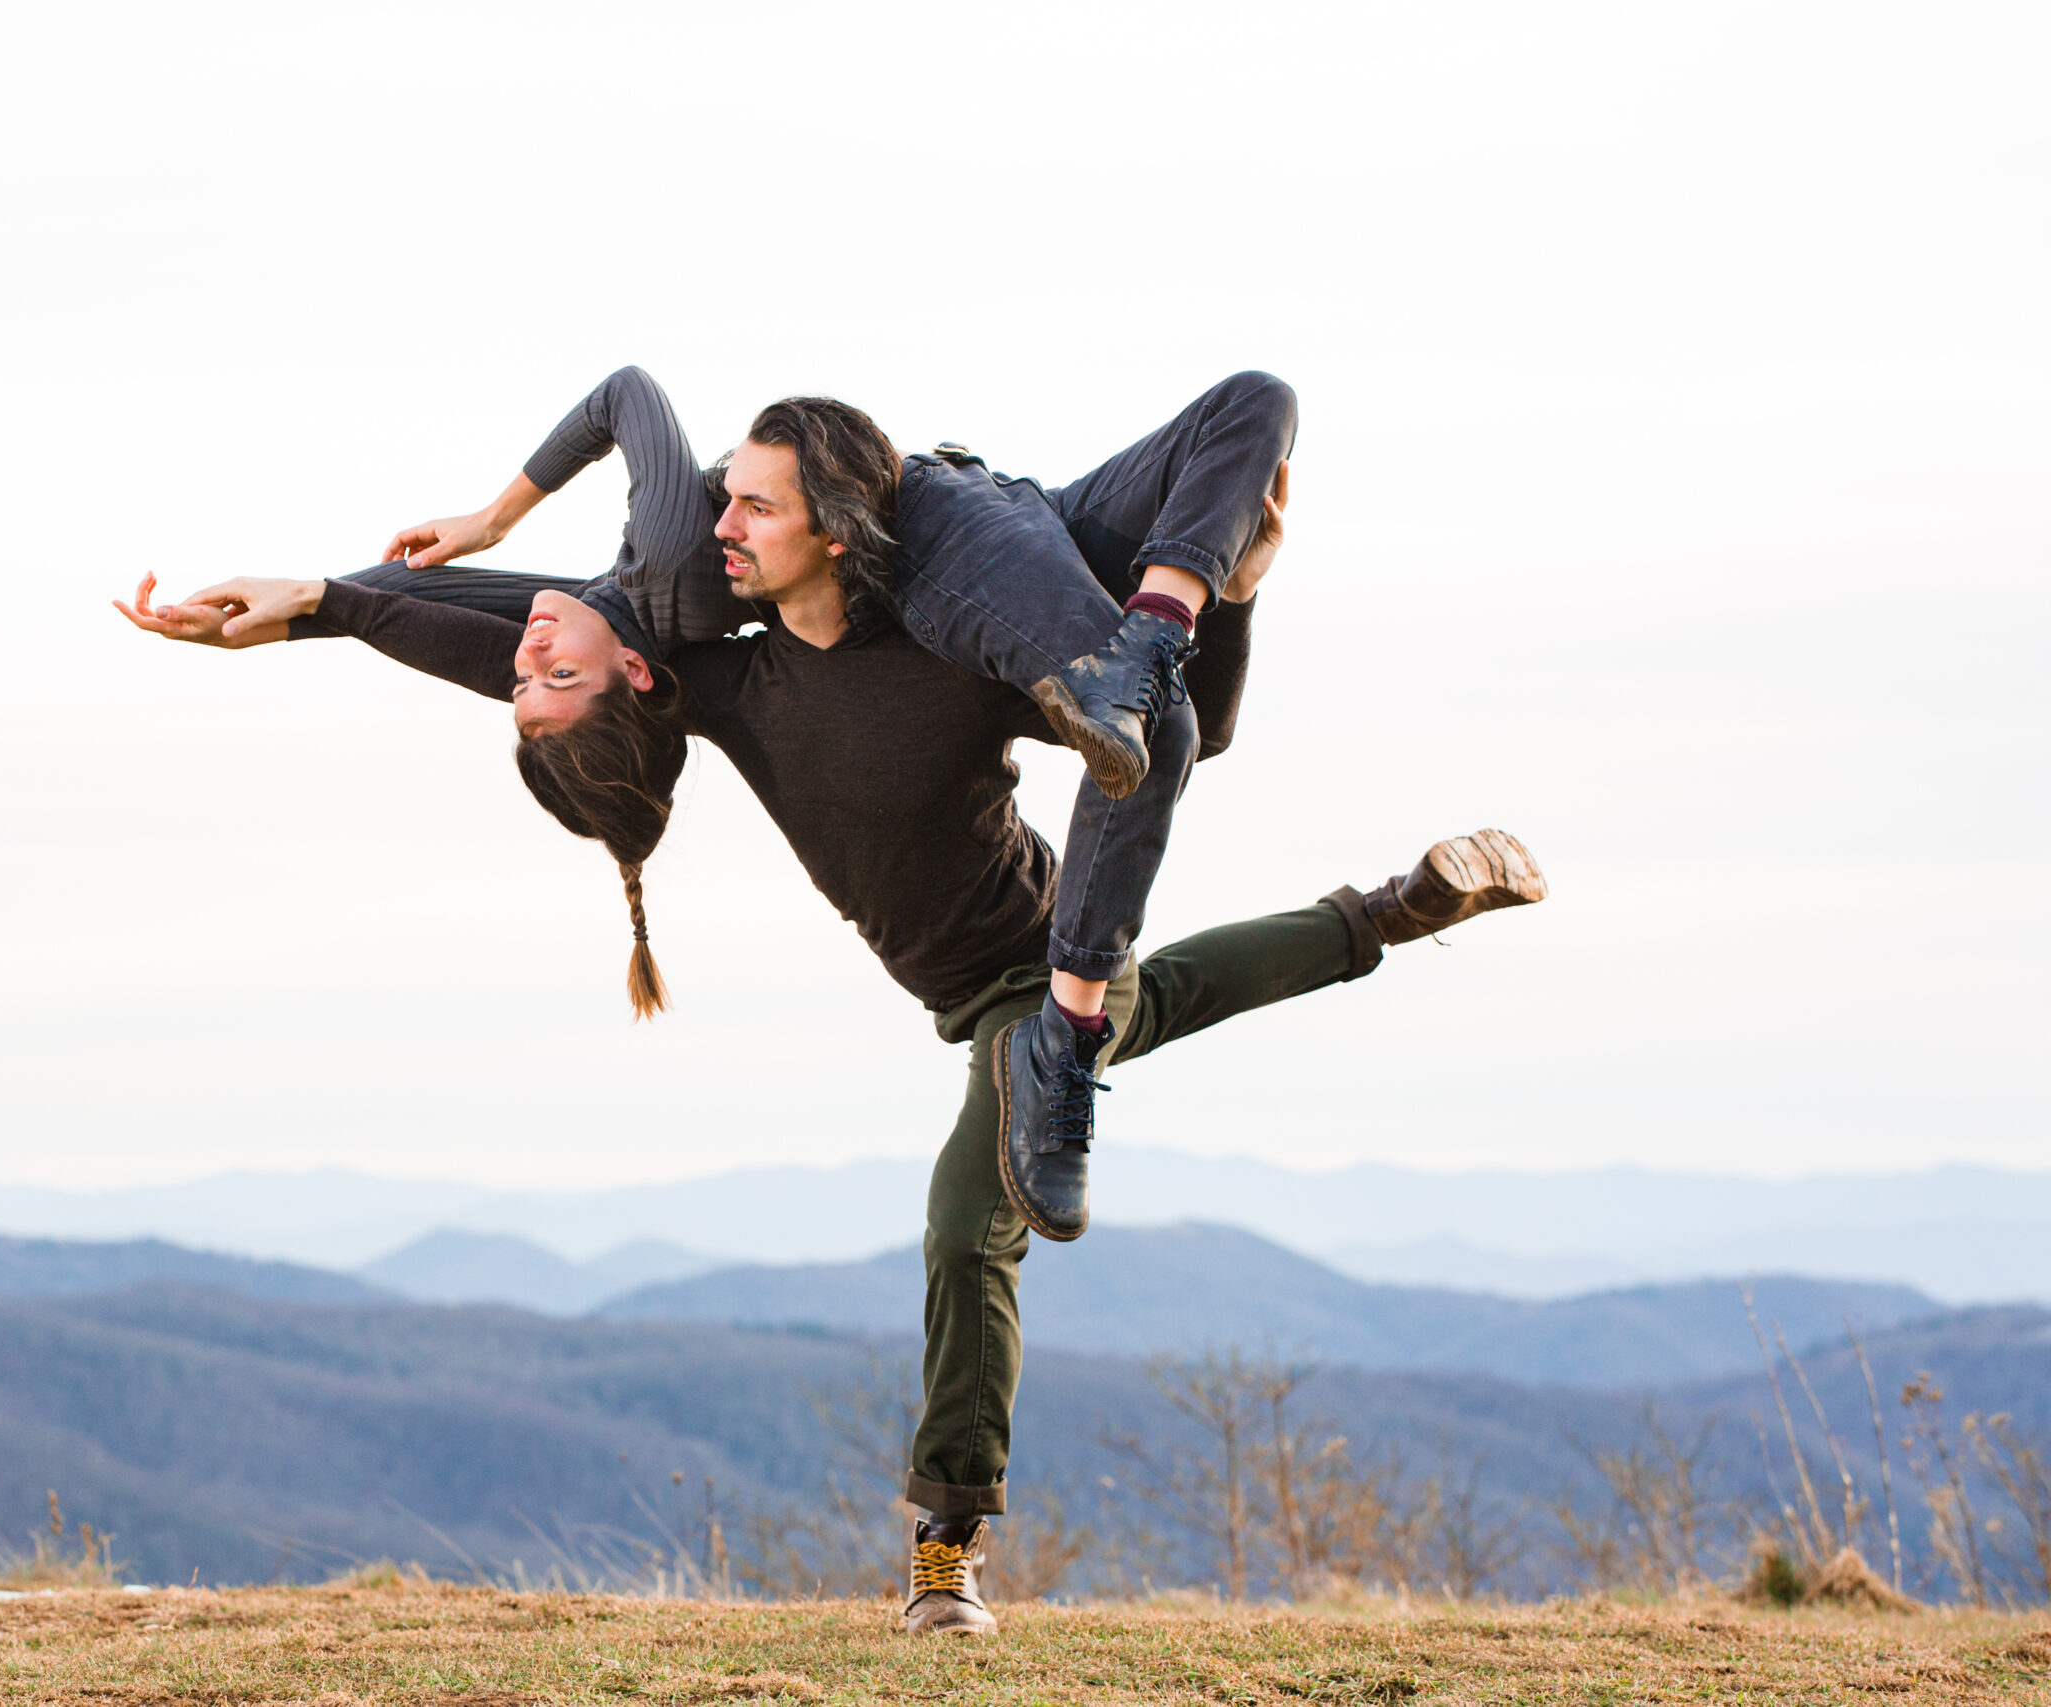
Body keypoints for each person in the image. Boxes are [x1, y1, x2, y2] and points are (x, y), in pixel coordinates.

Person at [116, 438, 1547, 1634]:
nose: (548, 661)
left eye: (760, 508)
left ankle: (945, 1549)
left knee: (967, 1219)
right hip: (1036, 968)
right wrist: (318, 602)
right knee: (1140, 1006)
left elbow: (1179, 729)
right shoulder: (730, 682)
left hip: (1025, 977)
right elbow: (526, 622)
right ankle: (1396, 906)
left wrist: (1221, 598)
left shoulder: (942, 638)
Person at [119, 367, 1298, 1239]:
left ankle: (1150, 670)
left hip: (963, 510)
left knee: (1247, 430)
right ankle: (1173, 648)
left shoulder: (648, 587)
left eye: (532, 675)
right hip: (957, 540)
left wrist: (326, 596)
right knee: (1177, 717)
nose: (525, 653)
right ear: (634, 681)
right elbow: (502, 630)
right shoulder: (675, 609)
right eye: (550, 678)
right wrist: (331, 600)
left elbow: (477, 612)